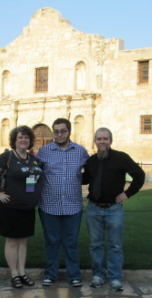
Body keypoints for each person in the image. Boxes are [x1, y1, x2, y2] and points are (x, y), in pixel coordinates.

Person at [83, 127, 145, 291]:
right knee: (95, 244)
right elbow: (85, 179)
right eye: (99, 139)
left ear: (110, 140)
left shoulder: (121, 158)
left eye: (105, 139)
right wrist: (68, 172)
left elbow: (139, 175)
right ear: (95, 141)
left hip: (113, 209)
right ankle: (98, 275)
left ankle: (115, 277)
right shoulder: (91, 160)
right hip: (94, 209)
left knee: (115, 245)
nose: (102, 142)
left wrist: (128, 193)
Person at [0, 126, 42, 289]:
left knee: (23, 241)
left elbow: (32, 180)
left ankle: (22, 272)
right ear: (14, 140)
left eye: (26, 137)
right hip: (10, 207)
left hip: (28, 208)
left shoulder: (33, 158)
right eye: (20, 137)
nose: (24, 140)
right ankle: (14, 274)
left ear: (30, 140)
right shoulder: (7, 156)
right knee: (11, 241)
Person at [37, 118, 89, 287]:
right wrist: (29, 193)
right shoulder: (44, 151)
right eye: (56, 131)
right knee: (51, 241)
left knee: (71, 242)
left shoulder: (80, 151)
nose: (59, 134)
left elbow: (91, 172)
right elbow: (33, 175)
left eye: (63, 131)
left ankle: (74, 275)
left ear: (69, 132)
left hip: (73, 205)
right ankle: (51, 274)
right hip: (48, 205)